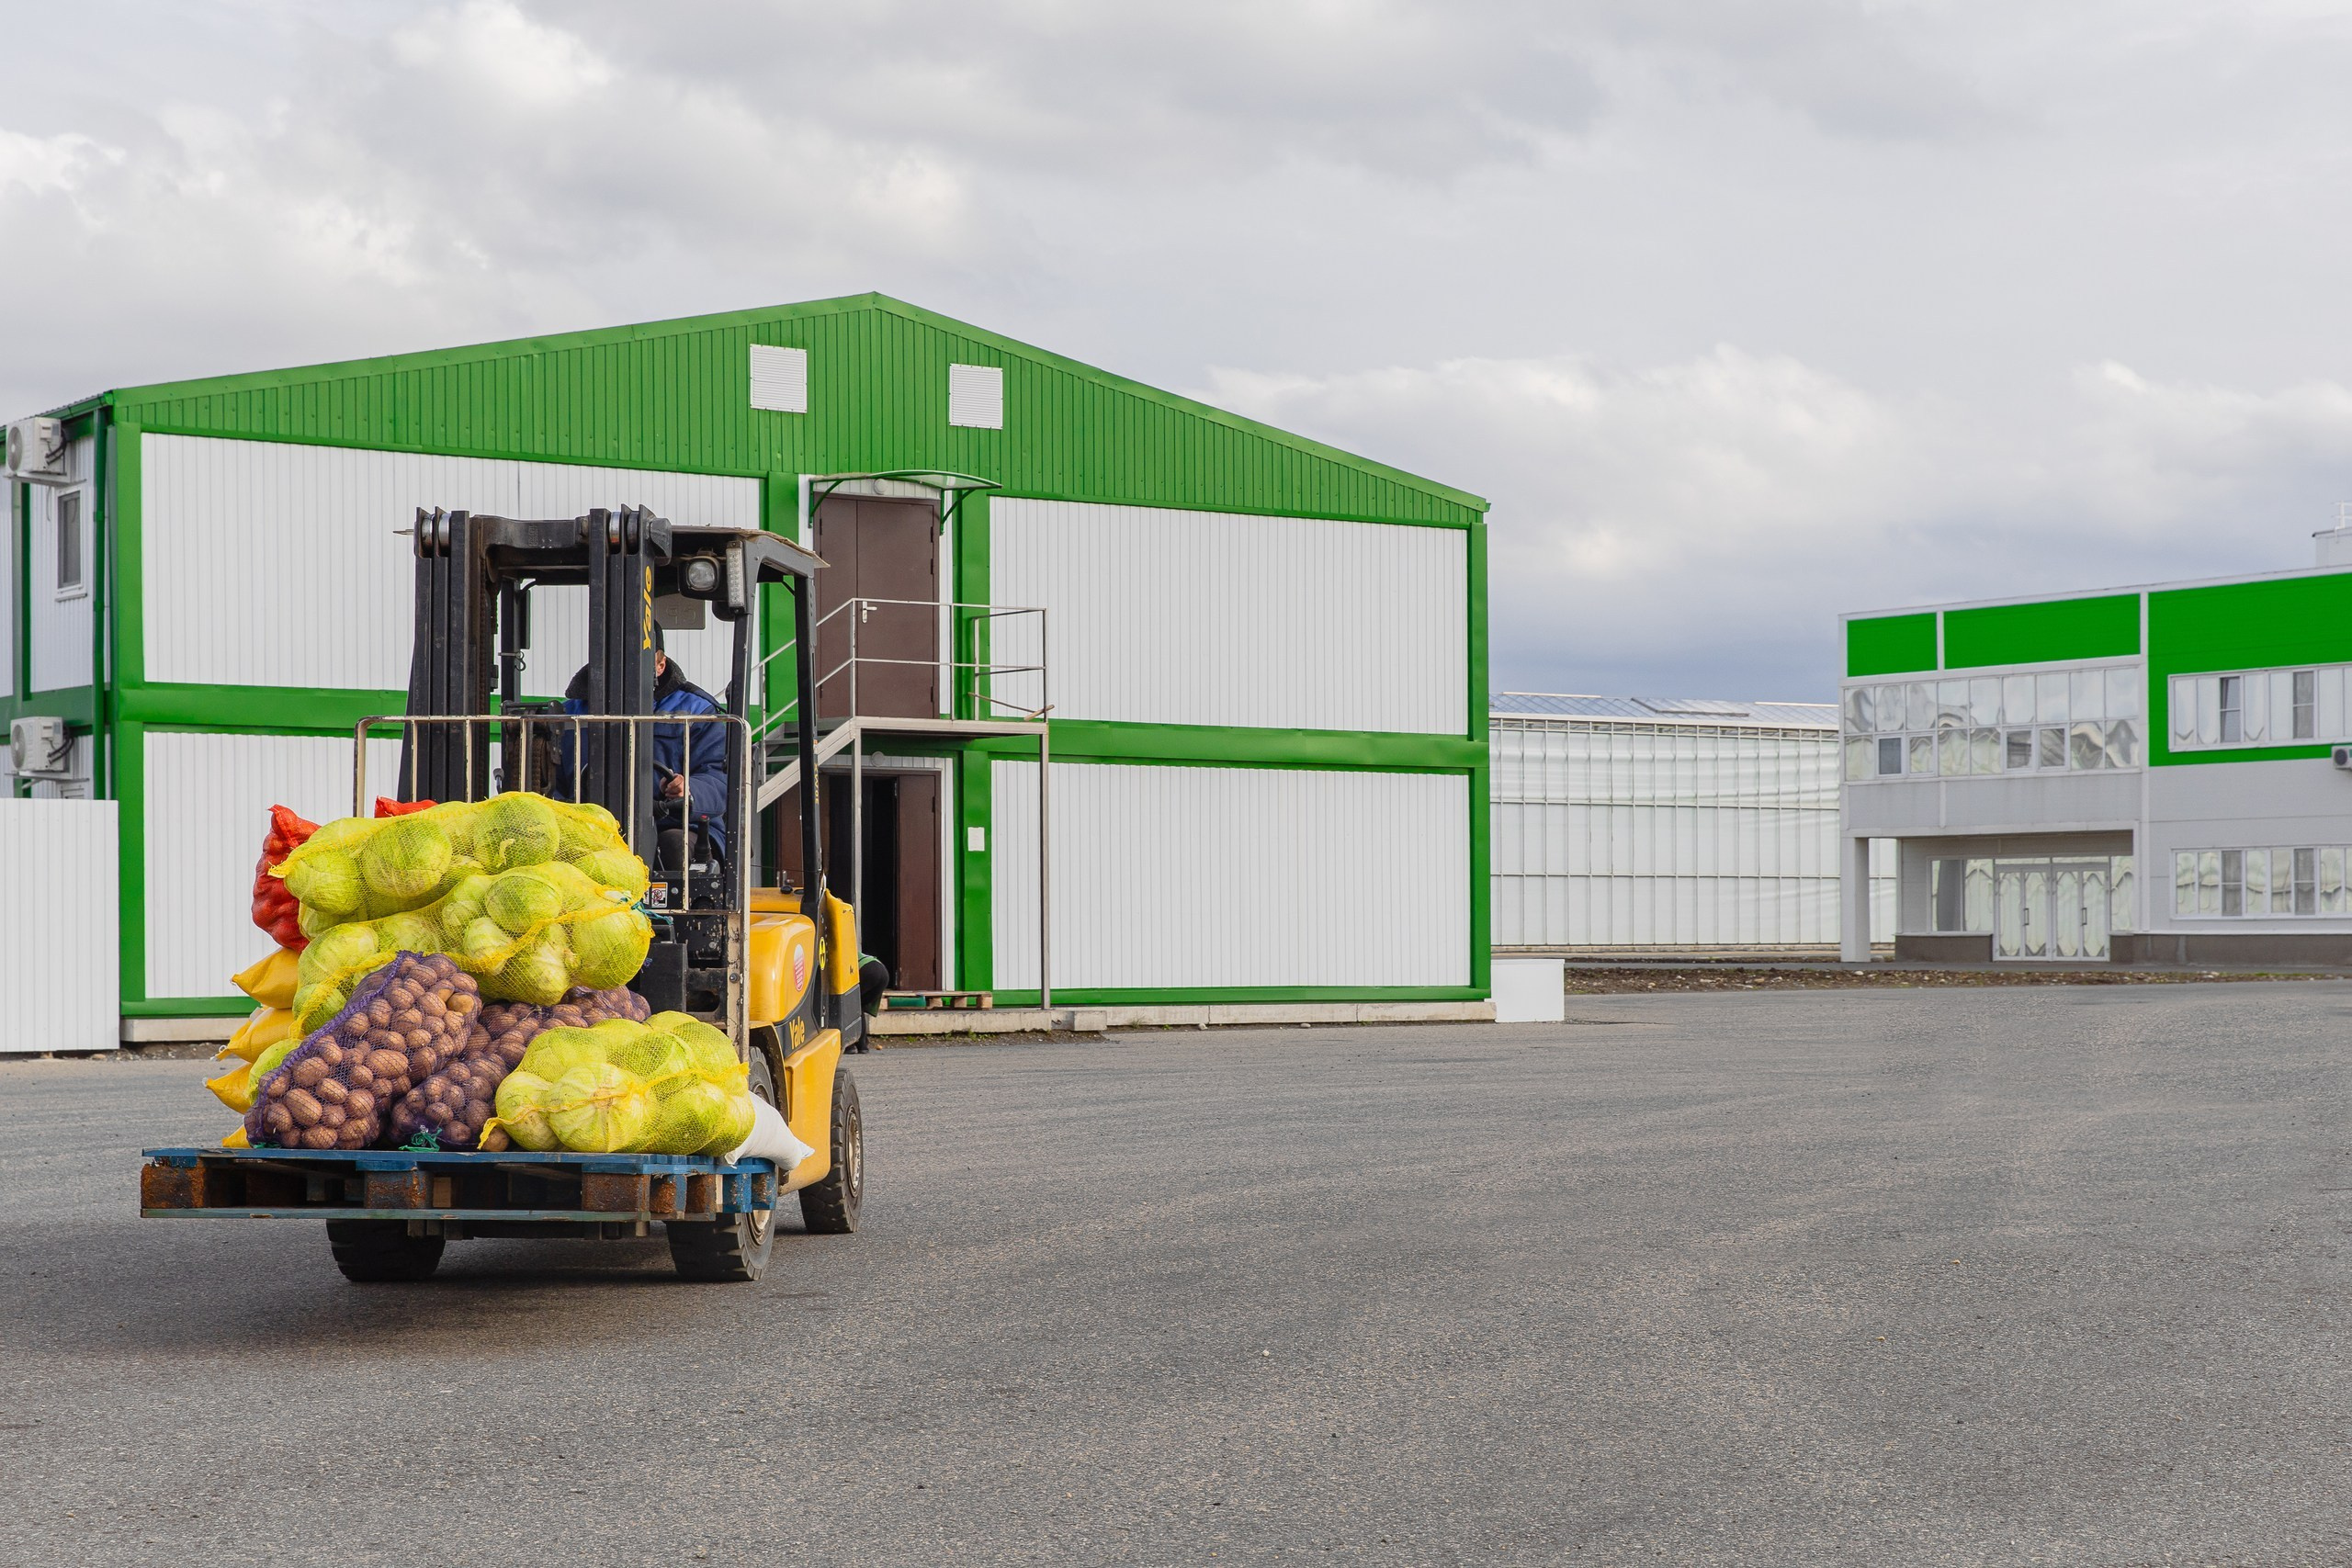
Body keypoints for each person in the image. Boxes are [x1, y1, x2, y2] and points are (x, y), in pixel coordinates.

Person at [559, 626, 729, 864]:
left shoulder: (697, 711)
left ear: (661, 665)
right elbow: (552, 783)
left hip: (675, 823)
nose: (626, 671)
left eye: (640, 662)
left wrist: (688, 790)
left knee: (674, 845)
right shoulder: (568, 714)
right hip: (588, 824)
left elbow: (719, 781)